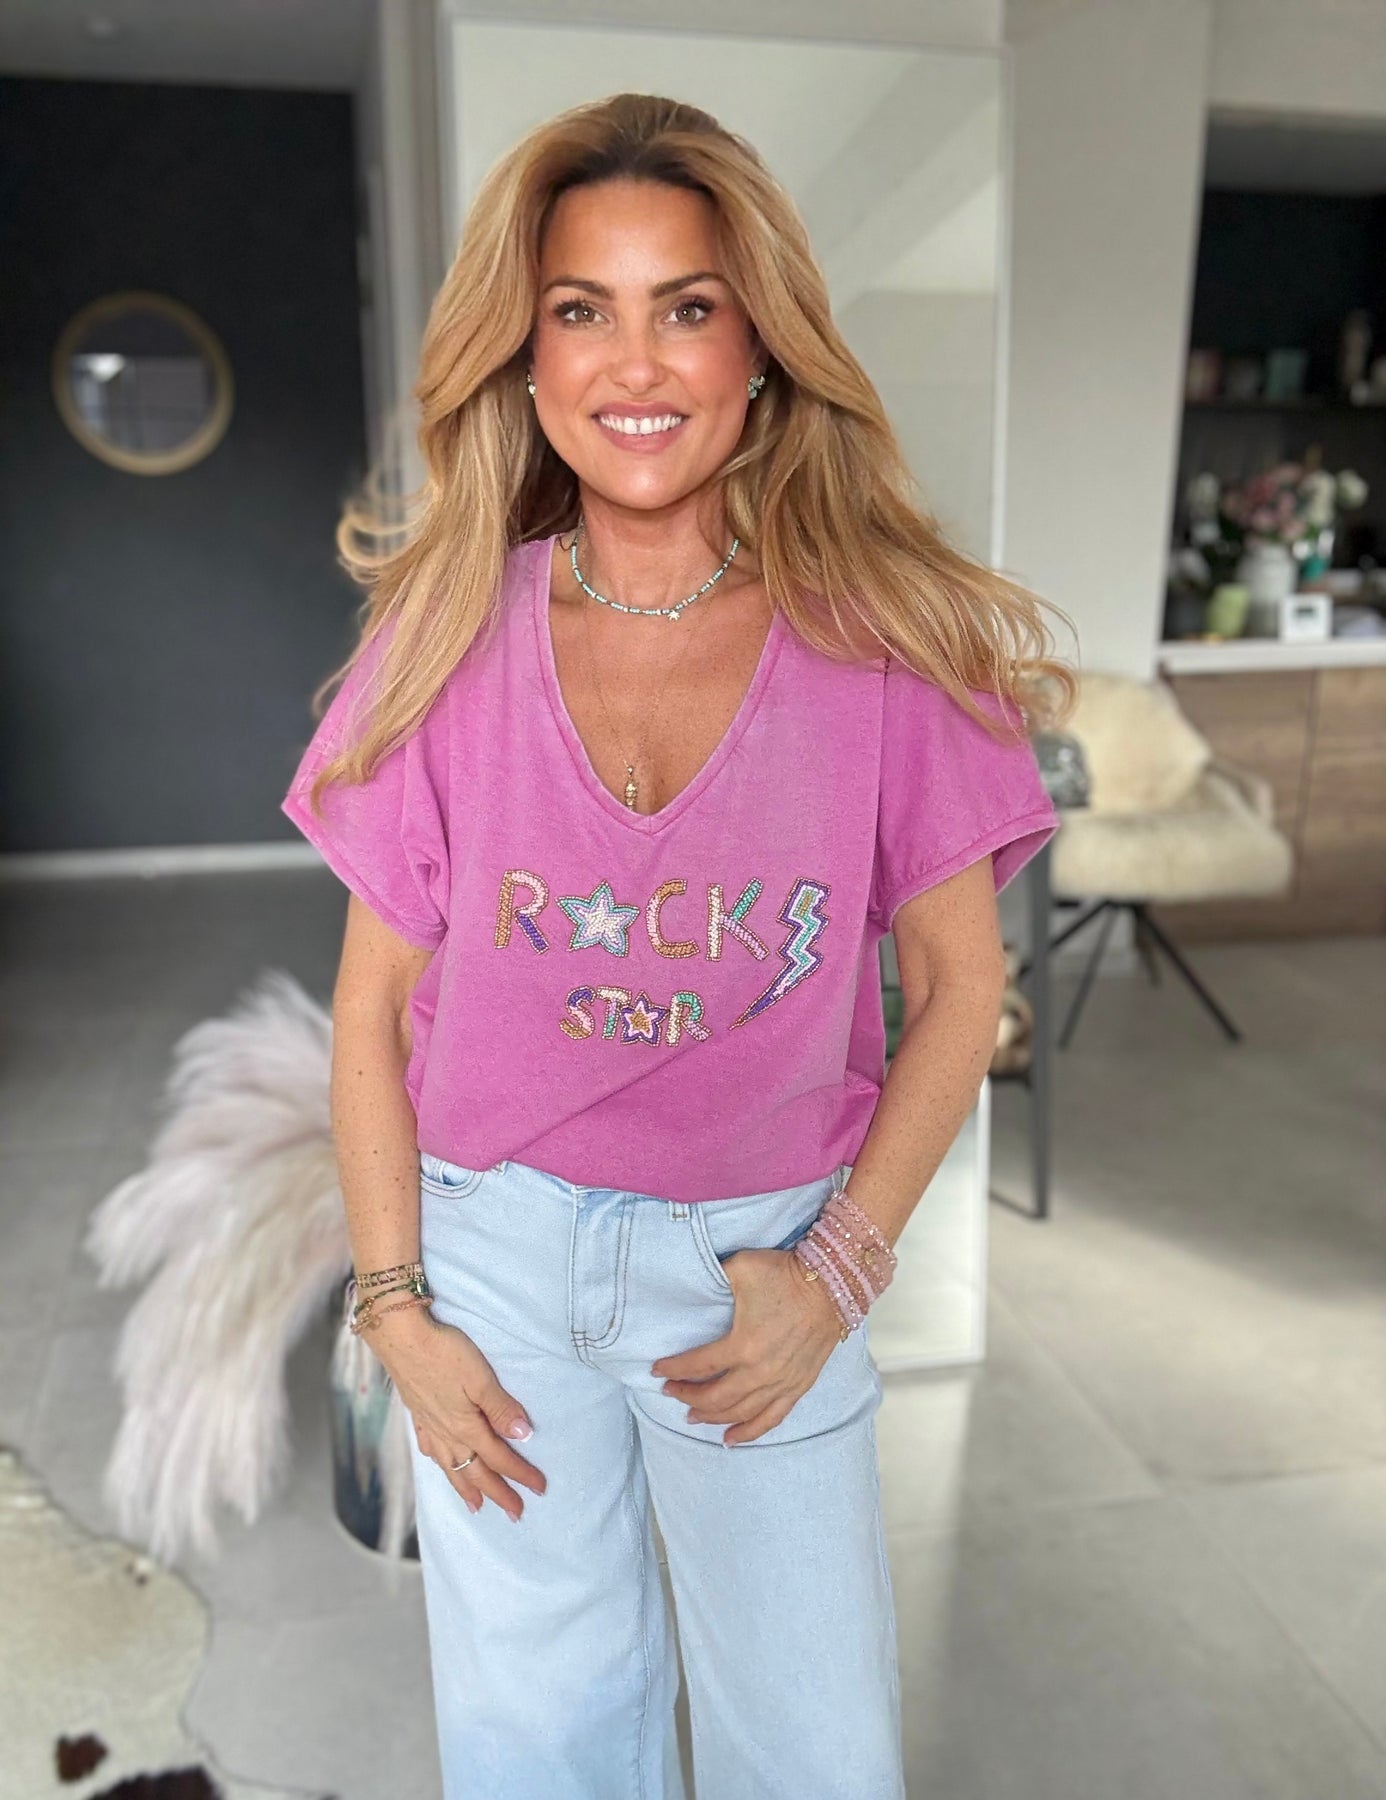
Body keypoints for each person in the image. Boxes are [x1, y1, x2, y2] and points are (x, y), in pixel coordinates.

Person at [281, 91, 1073, 1800]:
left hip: (757, 1264)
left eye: (686, 307)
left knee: (815, 1753)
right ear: (527, 356)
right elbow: (370, 1016)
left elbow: (960, 988)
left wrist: (839, 1271)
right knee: (535, 1744)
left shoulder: (884, 646)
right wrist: (395, 1307)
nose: (632, 364)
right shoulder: (441, 636)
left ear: (758, 348)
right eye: (583, 309)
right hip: (490, 1259)